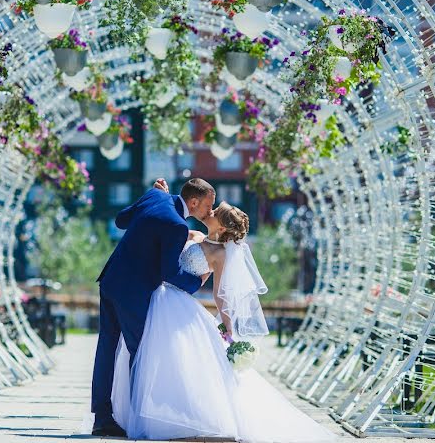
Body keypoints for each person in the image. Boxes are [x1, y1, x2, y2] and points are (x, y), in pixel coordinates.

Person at [110, 198, 337, 443]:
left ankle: (172, 417)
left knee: (170, 357)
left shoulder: (219, 254)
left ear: (221, 227)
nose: (212, 210)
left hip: (177, 304)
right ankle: (153, 411)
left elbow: (220, 294)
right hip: (158, 296)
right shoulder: (193, 235)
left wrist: (229, 327)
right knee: (154, 356)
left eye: (216, 211)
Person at [90, 178, 216, 437]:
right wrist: (199, 280)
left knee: (107, 348)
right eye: (208, 205)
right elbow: (169, 271)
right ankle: (139, 419)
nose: (210, 211)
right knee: (141, 353)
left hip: (111, 280)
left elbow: (121, 221)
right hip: (133, 293)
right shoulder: (177, 225)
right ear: (193, 202)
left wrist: (150, 197)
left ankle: (102, 417)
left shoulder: (156, 196)